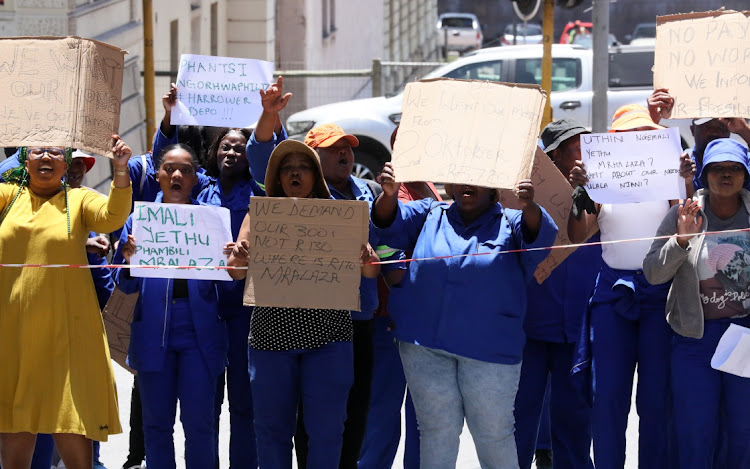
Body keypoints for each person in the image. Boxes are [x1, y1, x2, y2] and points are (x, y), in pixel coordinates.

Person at [372, 161, 557, 468]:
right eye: (460, 177)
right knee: (435, 433)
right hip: (424, 348)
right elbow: (387, 224)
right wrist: (388, 195)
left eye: (478, 177)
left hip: (489, 353)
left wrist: (530, 206)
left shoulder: (512, 221)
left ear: (495, 187)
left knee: (494, 436)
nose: (467, 183)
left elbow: (539, 240)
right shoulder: (429, 212)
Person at [227, 139, 380, 469]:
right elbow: (235, 274)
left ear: (316, 175)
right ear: (277, 177)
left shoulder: (339, 216)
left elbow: (369, 271)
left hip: (329, 341)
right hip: (271, 341)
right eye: (286, 168)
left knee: (327, 433)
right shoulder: (261, 216)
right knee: (271, 432)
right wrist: (239, 257)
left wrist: (367, 257)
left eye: (303, 166)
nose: (294, 172)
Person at [567, 104, 694, 469]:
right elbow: (577, 235)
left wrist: (685, 179)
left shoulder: (666, 177)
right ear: (615, 140)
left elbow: (689, 216)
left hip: (660, 299)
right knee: (607, 397)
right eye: (625, 135)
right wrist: (582, 191)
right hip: (612, 299)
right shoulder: (601, 181)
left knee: (655, 400)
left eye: (641, 133)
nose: (634, 141)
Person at [0, 137, 133, 469]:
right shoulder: (7, 197)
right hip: (14, 335)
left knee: (71, 425)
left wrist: (119, 170)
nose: (46, 156)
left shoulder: (79, 199)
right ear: (24, 161)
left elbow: (113, 215)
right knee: (15, 430)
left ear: (66, 163)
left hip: (67, 336)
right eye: (37, 151)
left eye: (55, 152)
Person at [112, 143, 228, 469]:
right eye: (169, 169)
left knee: (200, 426)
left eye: (186, 170)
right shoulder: (139, 221)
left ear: (195, 179)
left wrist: (235, 261)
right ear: (158, 176)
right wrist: (127, 261)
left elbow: (231, 283)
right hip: (152, 329)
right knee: (156, 426)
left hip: (199, 333)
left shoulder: (211, 222)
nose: (177, 175)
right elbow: (125, 286)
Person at [643, 138, 750, 468]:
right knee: (694, 431)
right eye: (717, 168)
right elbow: (653, 274)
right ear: (705, 174)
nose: (726, 175)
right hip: (694, 339)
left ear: (746, 174)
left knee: (743, 431)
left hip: (745, 339)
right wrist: (681, 240)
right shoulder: (684, 213)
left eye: (734, 168)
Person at [293, 124, 384, 468]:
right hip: (316, 318)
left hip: (360, 320)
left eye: (347, 148)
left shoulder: (372, 192)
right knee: (314, 409)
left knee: (356, 408)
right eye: (334, 149)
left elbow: (391, 240)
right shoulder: (301, 196)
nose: (344, 154)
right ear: (313, 157)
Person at [514, 118, 600, 469]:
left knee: (575, 418)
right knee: (518, 416)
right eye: (575, 149)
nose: (583, 157)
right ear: (552, 159)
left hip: (578, 328)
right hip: (529, 328)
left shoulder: (601, 193)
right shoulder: (525, 201)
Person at [358, 126, 437, 469]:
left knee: (424, 416)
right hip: (392, 320)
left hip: (423, 321)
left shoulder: (430, 188)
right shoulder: (396, 192)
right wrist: (407, 287)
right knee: (382, 413)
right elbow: (387, 246)